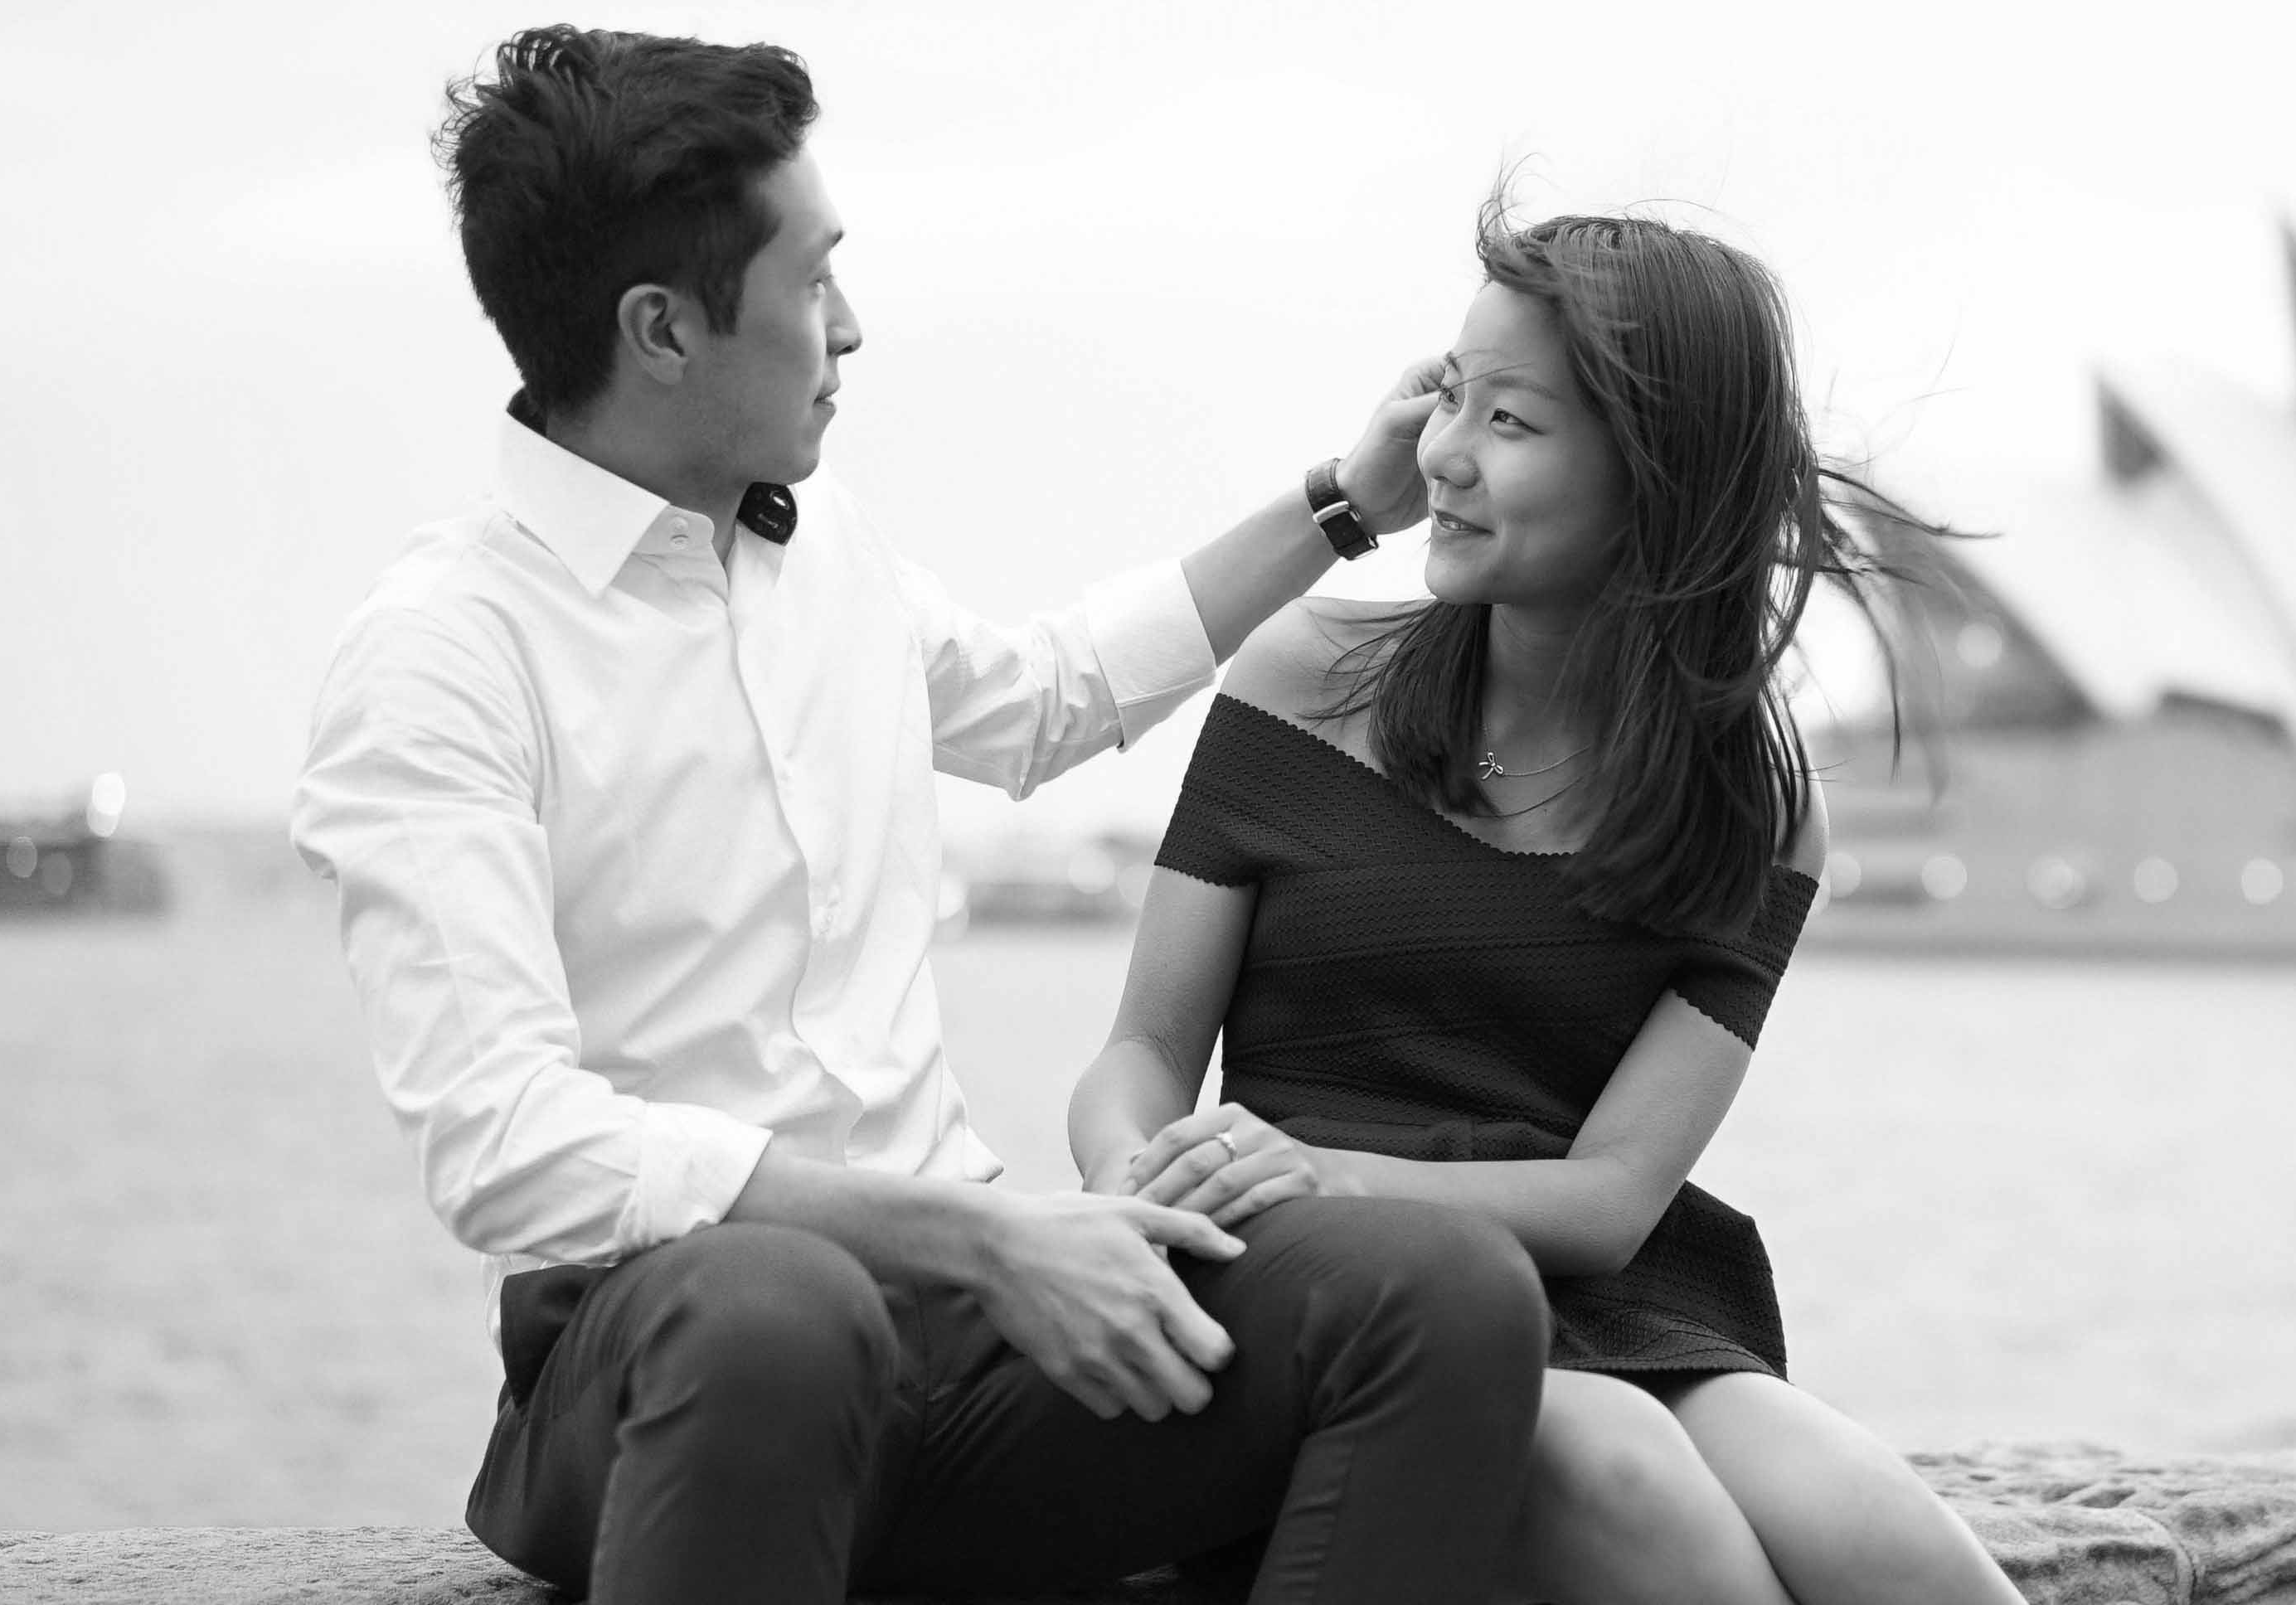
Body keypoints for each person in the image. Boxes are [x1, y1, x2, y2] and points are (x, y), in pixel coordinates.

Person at [289, 26, 1551, 1605]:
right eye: (813, 278)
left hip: (962, 1351)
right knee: (778, 1314)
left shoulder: (822, 550)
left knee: (1445, 1294)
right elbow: (503, 1140)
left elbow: (1047, 695)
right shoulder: (443, 654)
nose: (851, 325)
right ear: (661, 329)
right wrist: (984, 1244)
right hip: (670, 1368)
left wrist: (1346, 505)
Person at [1065, 198, 2024, 1603]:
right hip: (1346, 1286)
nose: (1444, 457)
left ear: (1655, 478)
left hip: (1609, 1298)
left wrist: (1335, 1171)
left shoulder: (1752, 807)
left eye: (1509, 422)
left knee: (1897, 1541)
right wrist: (1133, 1198)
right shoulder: (1303, 679)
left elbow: (1613, 1197)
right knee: (1630, 1481)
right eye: (1451, 396)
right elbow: (1146, 1050)